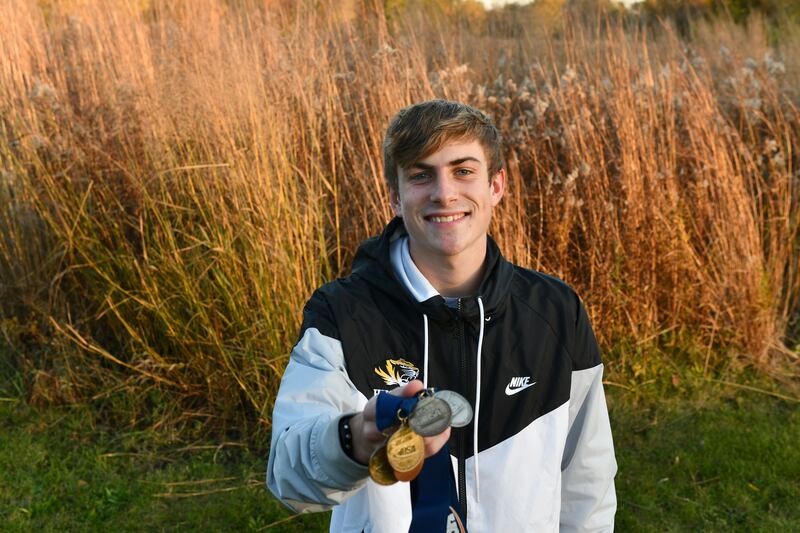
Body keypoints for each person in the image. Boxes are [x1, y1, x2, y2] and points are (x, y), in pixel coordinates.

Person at [267, 99, 617, 532]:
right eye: (421, 175)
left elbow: (587, 485)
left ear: (496, 185)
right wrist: (356, 437)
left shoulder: (556, 312)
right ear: (395, 197)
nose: (444, 193)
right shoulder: (343, 313)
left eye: (463, 171)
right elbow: (289, 477)